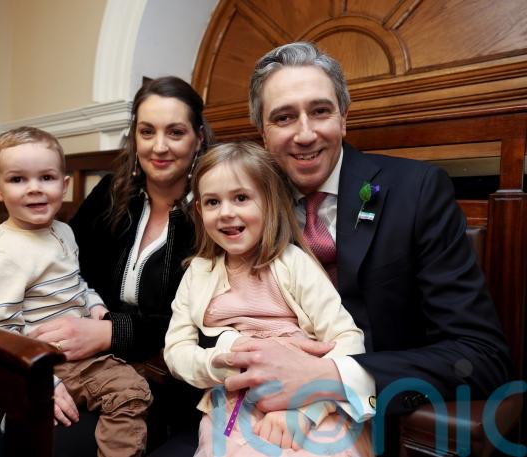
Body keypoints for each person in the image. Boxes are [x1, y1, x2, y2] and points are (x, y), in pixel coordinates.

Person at [211, 42, 513, 454]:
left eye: (320, 111)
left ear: (344, 118)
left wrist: (330, 376)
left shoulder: (417, 191)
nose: (305, 133)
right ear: (263, 135)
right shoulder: (241, 210)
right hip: (254, 412)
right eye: (284, 117)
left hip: (376, 419)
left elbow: (481, 356)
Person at [26, 76, 215, 454]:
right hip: (80, 360)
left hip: (159, 381)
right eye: (147, 131)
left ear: (198, 139)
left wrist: (112, 332)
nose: (159, 146)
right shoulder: (110, 193)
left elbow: (205, 320)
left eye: (175, 132)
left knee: (53, 444)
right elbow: (67, 270)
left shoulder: (214, 211)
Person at [164, 142, 374, 456]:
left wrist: (303, 409)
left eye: (241, 198)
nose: (226, 213)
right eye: (212, 202)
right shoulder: (198, 273)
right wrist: (224, 364)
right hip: (234, 405)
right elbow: (176, 351)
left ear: (270, 202)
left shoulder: (294, 264)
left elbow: (347, 338)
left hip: (310, 402)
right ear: (199, 211)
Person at [0, 126, 152, 457]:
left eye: (47, 177)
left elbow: (77, 283)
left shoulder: (63, 232)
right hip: (45, 361)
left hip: (81, 348)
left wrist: (95, 306)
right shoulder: (2, 255)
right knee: (130, 394)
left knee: (142, 379)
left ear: (64, 185)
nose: (35, 189)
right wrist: (41, 382)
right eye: (18, 179)